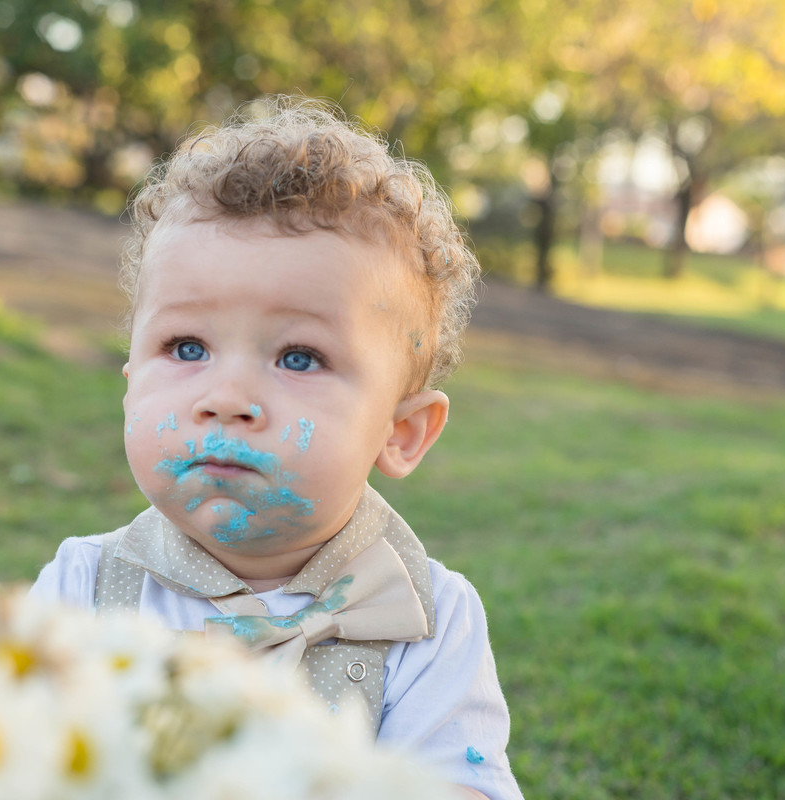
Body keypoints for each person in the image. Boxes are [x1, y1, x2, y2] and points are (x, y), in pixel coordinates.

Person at [30, 97, 523, 800]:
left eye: (298, 358)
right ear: (131, 385)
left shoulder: (425, 618)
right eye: (187, 347)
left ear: (400, 431)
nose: (226, 396)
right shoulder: (83, 589)